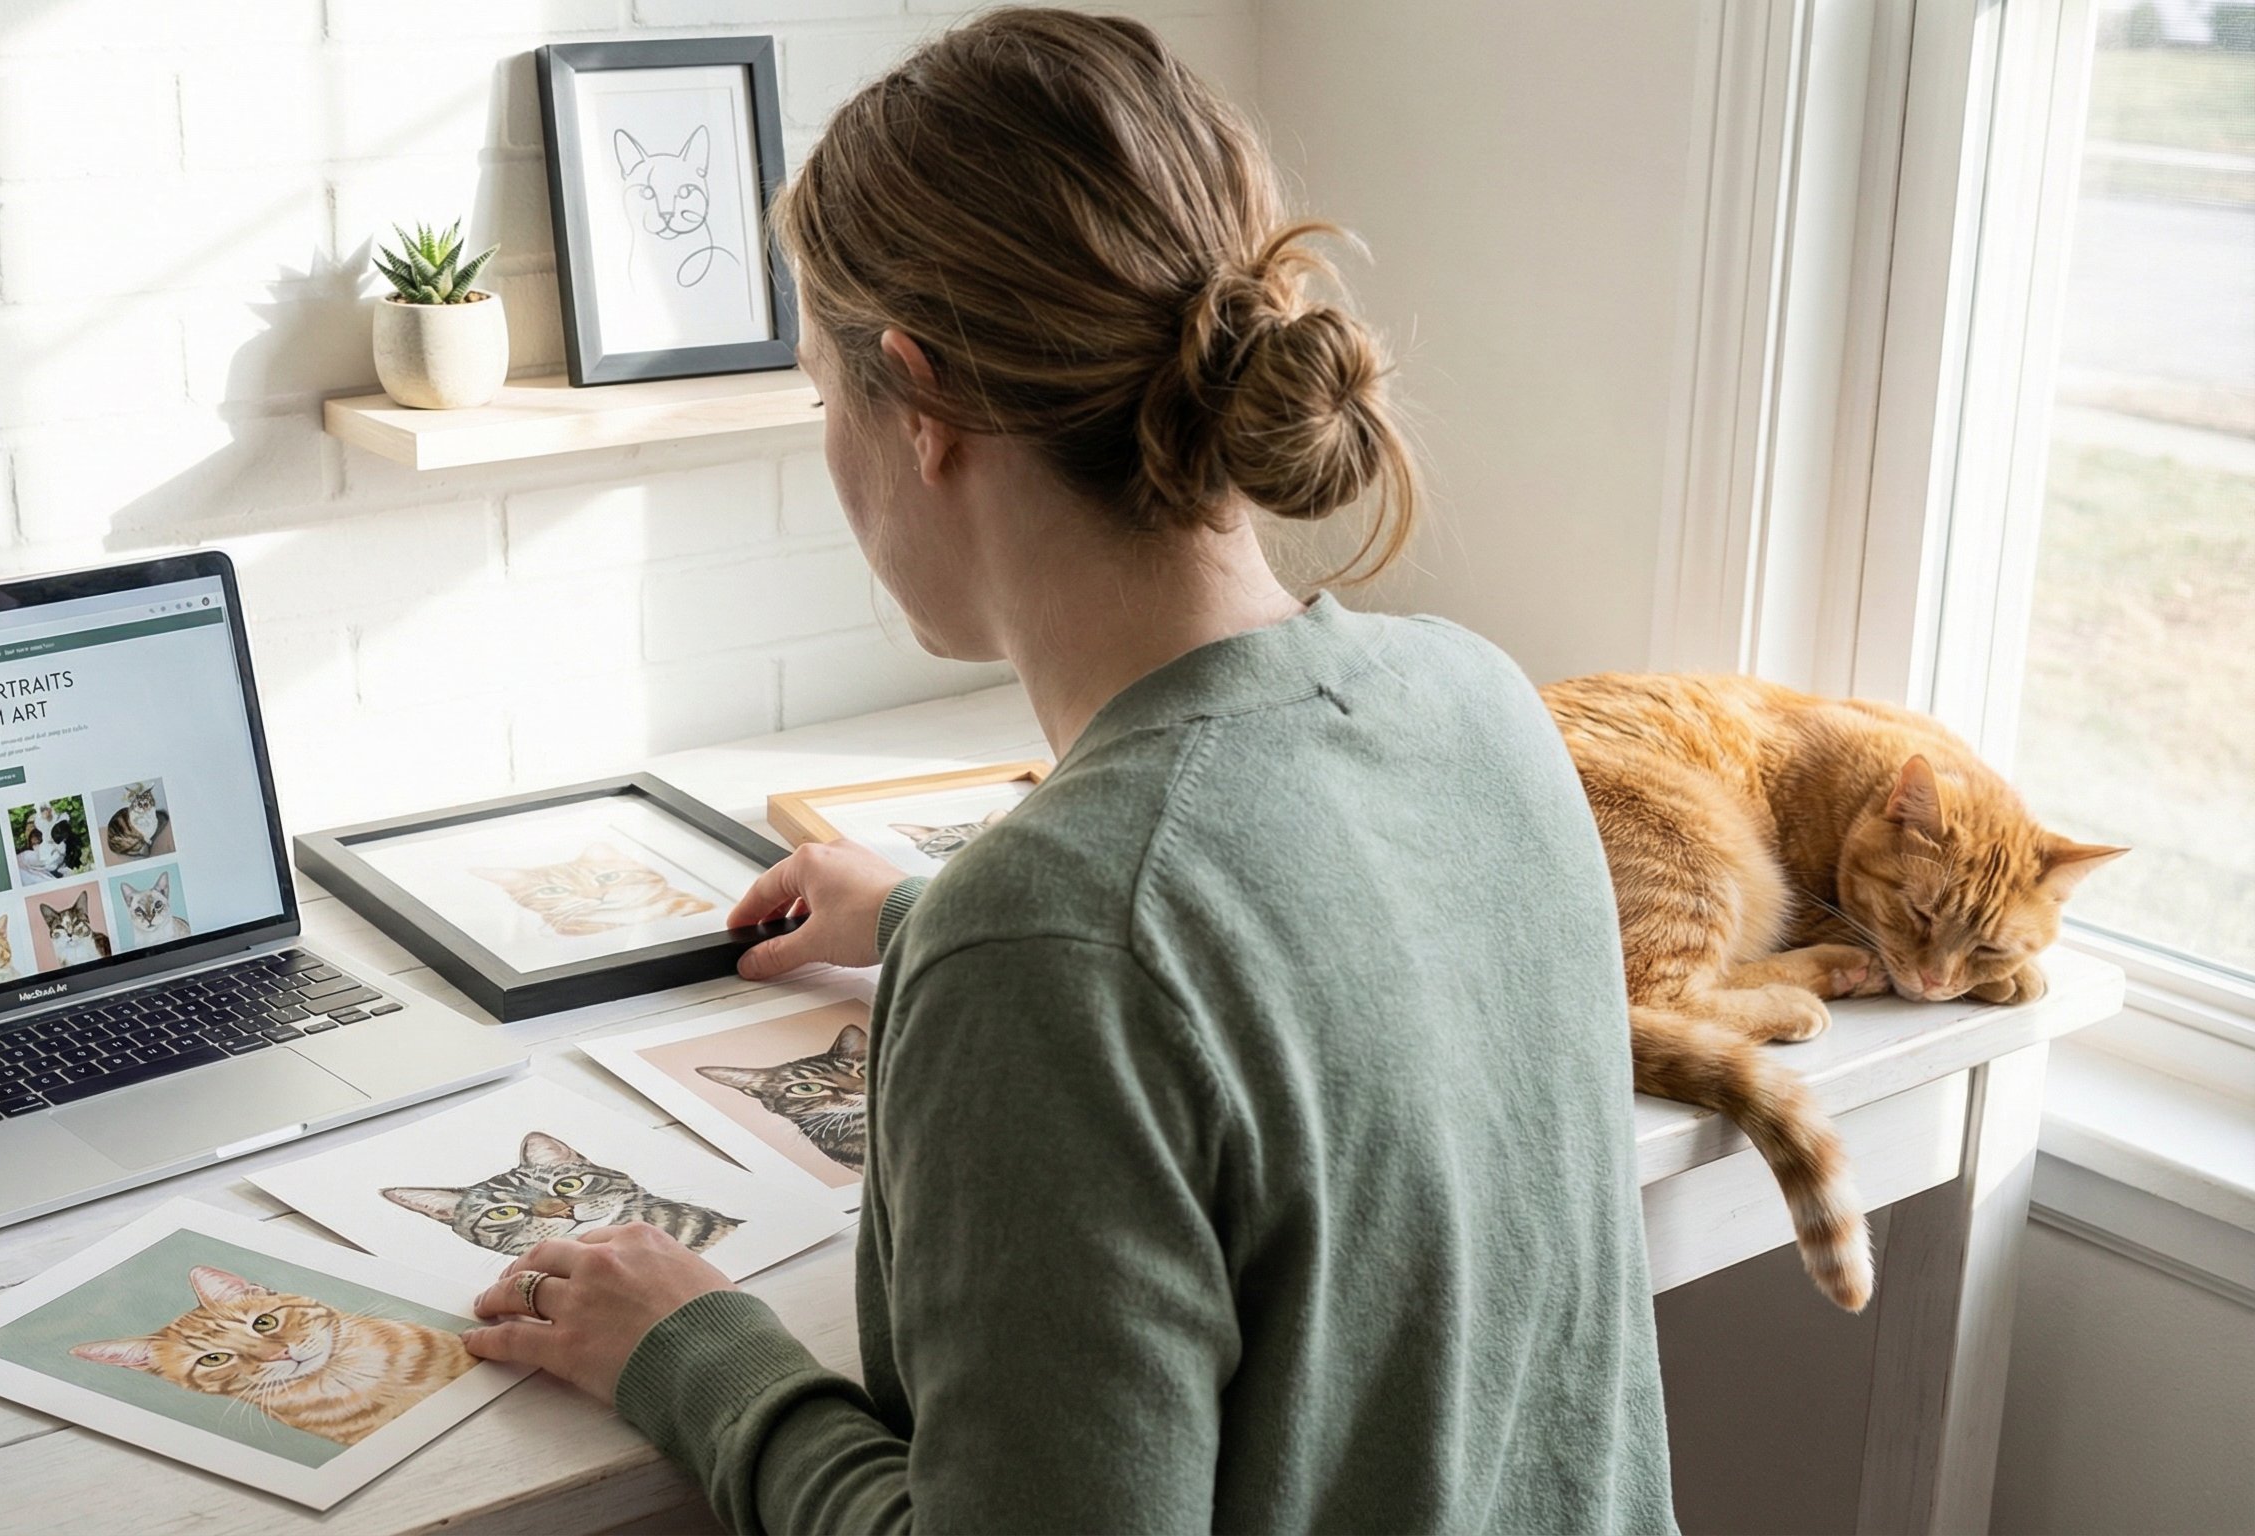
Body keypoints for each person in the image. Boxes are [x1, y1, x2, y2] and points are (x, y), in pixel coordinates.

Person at [462, 10, 1678, 1531]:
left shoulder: (1050, 943)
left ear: (921, 410)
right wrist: (926, 916)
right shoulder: (1479, 703)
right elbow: (1261, 975)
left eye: (825, 400)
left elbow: (1110, 957)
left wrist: (703, 1360)